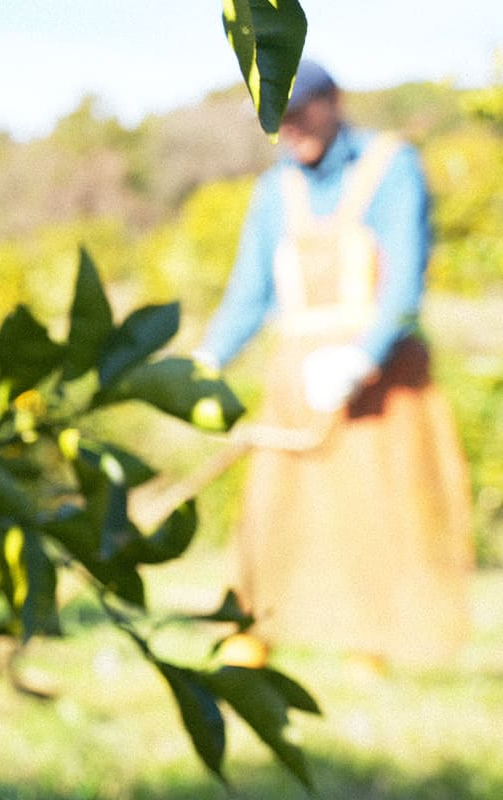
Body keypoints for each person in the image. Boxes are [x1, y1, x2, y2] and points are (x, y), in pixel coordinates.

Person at [193, 60, 474, 667]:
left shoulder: (390, 165)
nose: (290, 129)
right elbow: (249, 295)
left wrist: (359, 358)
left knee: (374, 503)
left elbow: (404, 280)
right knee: (274, 504)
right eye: (278, 119)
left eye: (298, 111)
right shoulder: (276, 190)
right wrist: (204, 362)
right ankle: (250, 634)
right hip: (296, 375)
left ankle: (369, 645)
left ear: (333, 101)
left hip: (377, 377)